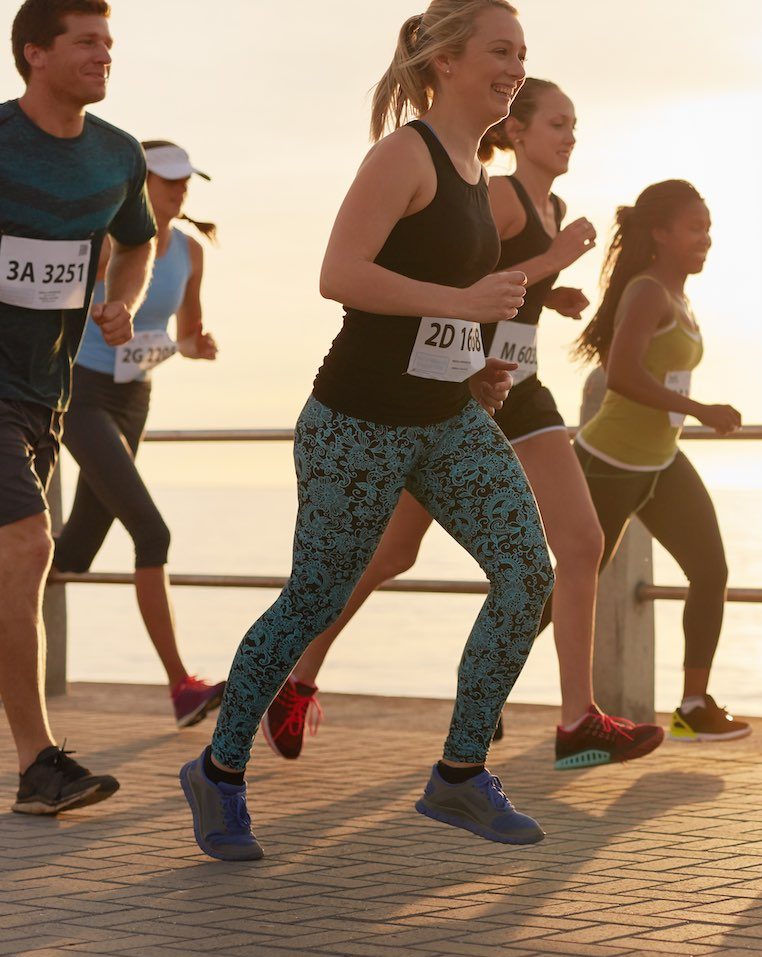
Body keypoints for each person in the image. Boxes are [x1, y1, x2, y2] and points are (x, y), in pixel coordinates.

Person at [178, 0, 552, 861]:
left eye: (523, 54)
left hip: (445, 417)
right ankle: (221, 772)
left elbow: (429, 314)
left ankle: (460, 774)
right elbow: (340, 274)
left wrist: (474, 360)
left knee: (528, 574)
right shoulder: (405, 153)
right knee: (313, 596)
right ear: (446, 60)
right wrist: (462, 304)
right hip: (356, 424)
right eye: (501, 51)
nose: (516, 68)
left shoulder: (471, 163)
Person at [263, 79, 668, 770]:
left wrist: (551, 291)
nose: (570, 136)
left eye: (576, 125)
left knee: (580, 540)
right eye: (557, 124)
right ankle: (293, 679)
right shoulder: (503, 197)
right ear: (519, 133)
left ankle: (578, 720)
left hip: (522, 384)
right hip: (462, 386)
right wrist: (553, 259)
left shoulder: (552, 204)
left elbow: (509, 286)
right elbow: (462, 282)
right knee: (391, 554)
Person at [0, 0, 154, 815]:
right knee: (29, 547)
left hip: (41, 389)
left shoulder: (118, 155)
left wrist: (122, 298)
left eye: (109, 43)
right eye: (86, 42)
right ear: (34, 54)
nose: (104, 55)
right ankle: (38, 767)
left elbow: (137, 240)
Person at [52, 139, 225, 728]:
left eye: (184, 181)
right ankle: (182, 686)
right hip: (80, 393)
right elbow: (57, 307)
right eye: (166, 180)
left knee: (73, 552)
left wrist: (200, 347)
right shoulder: (109, 242)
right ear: (137, 184)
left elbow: (189, 330)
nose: (178, 190)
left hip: (134, 398)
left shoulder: (192, 252)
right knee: (153, 533)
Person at [573, 179, 751, 744]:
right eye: (695, 229)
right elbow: (622, 374)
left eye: (709, 229)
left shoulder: (679, 297)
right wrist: (697, 408)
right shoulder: (648, 291)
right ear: (660, 234)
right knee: (571, 587)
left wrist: (688, 414)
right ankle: (489, 694)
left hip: (660, 460)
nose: (706, 239)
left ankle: (693, 707)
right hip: (610, 460)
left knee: (710, 570)